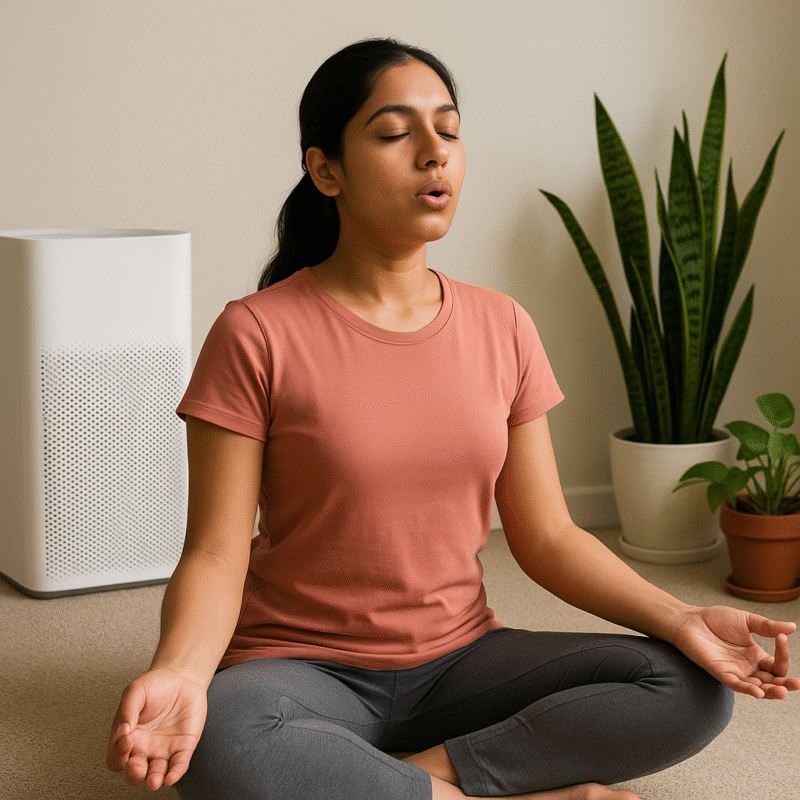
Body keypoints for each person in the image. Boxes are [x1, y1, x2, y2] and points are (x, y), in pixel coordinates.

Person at [106, 38, 799, 800]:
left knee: (690, 687)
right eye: (396, 133)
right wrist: (180, 669)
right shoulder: (257, 332)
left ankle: (407, 785)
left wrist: (681, 618)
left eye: (450, 129)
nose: (436, 154)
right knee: (222, 743)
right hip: (299, 670)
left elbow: (548, 536)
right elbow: (214, 552)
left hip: (460, 663)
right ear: (325, 169)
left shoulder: (502, 325)